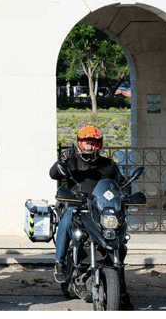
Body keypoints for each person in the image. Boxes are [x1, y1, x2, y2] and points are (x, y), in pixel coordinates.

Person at [50, 125, 132, 308]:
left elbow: (122, 184)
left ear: (100, 144)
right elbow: (53, 174)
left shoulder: (108, 164)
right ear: (79, 143)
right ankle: (60, 263)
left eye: (94, 142)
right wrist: (61, 162)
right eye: (87, 142)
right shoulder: (72, 162)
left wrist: (126, 195)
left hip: (100, 211)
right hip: (78, 207)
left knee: (120, 242)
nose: (90, 146)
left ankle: (122, 292)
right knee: (68, 217)